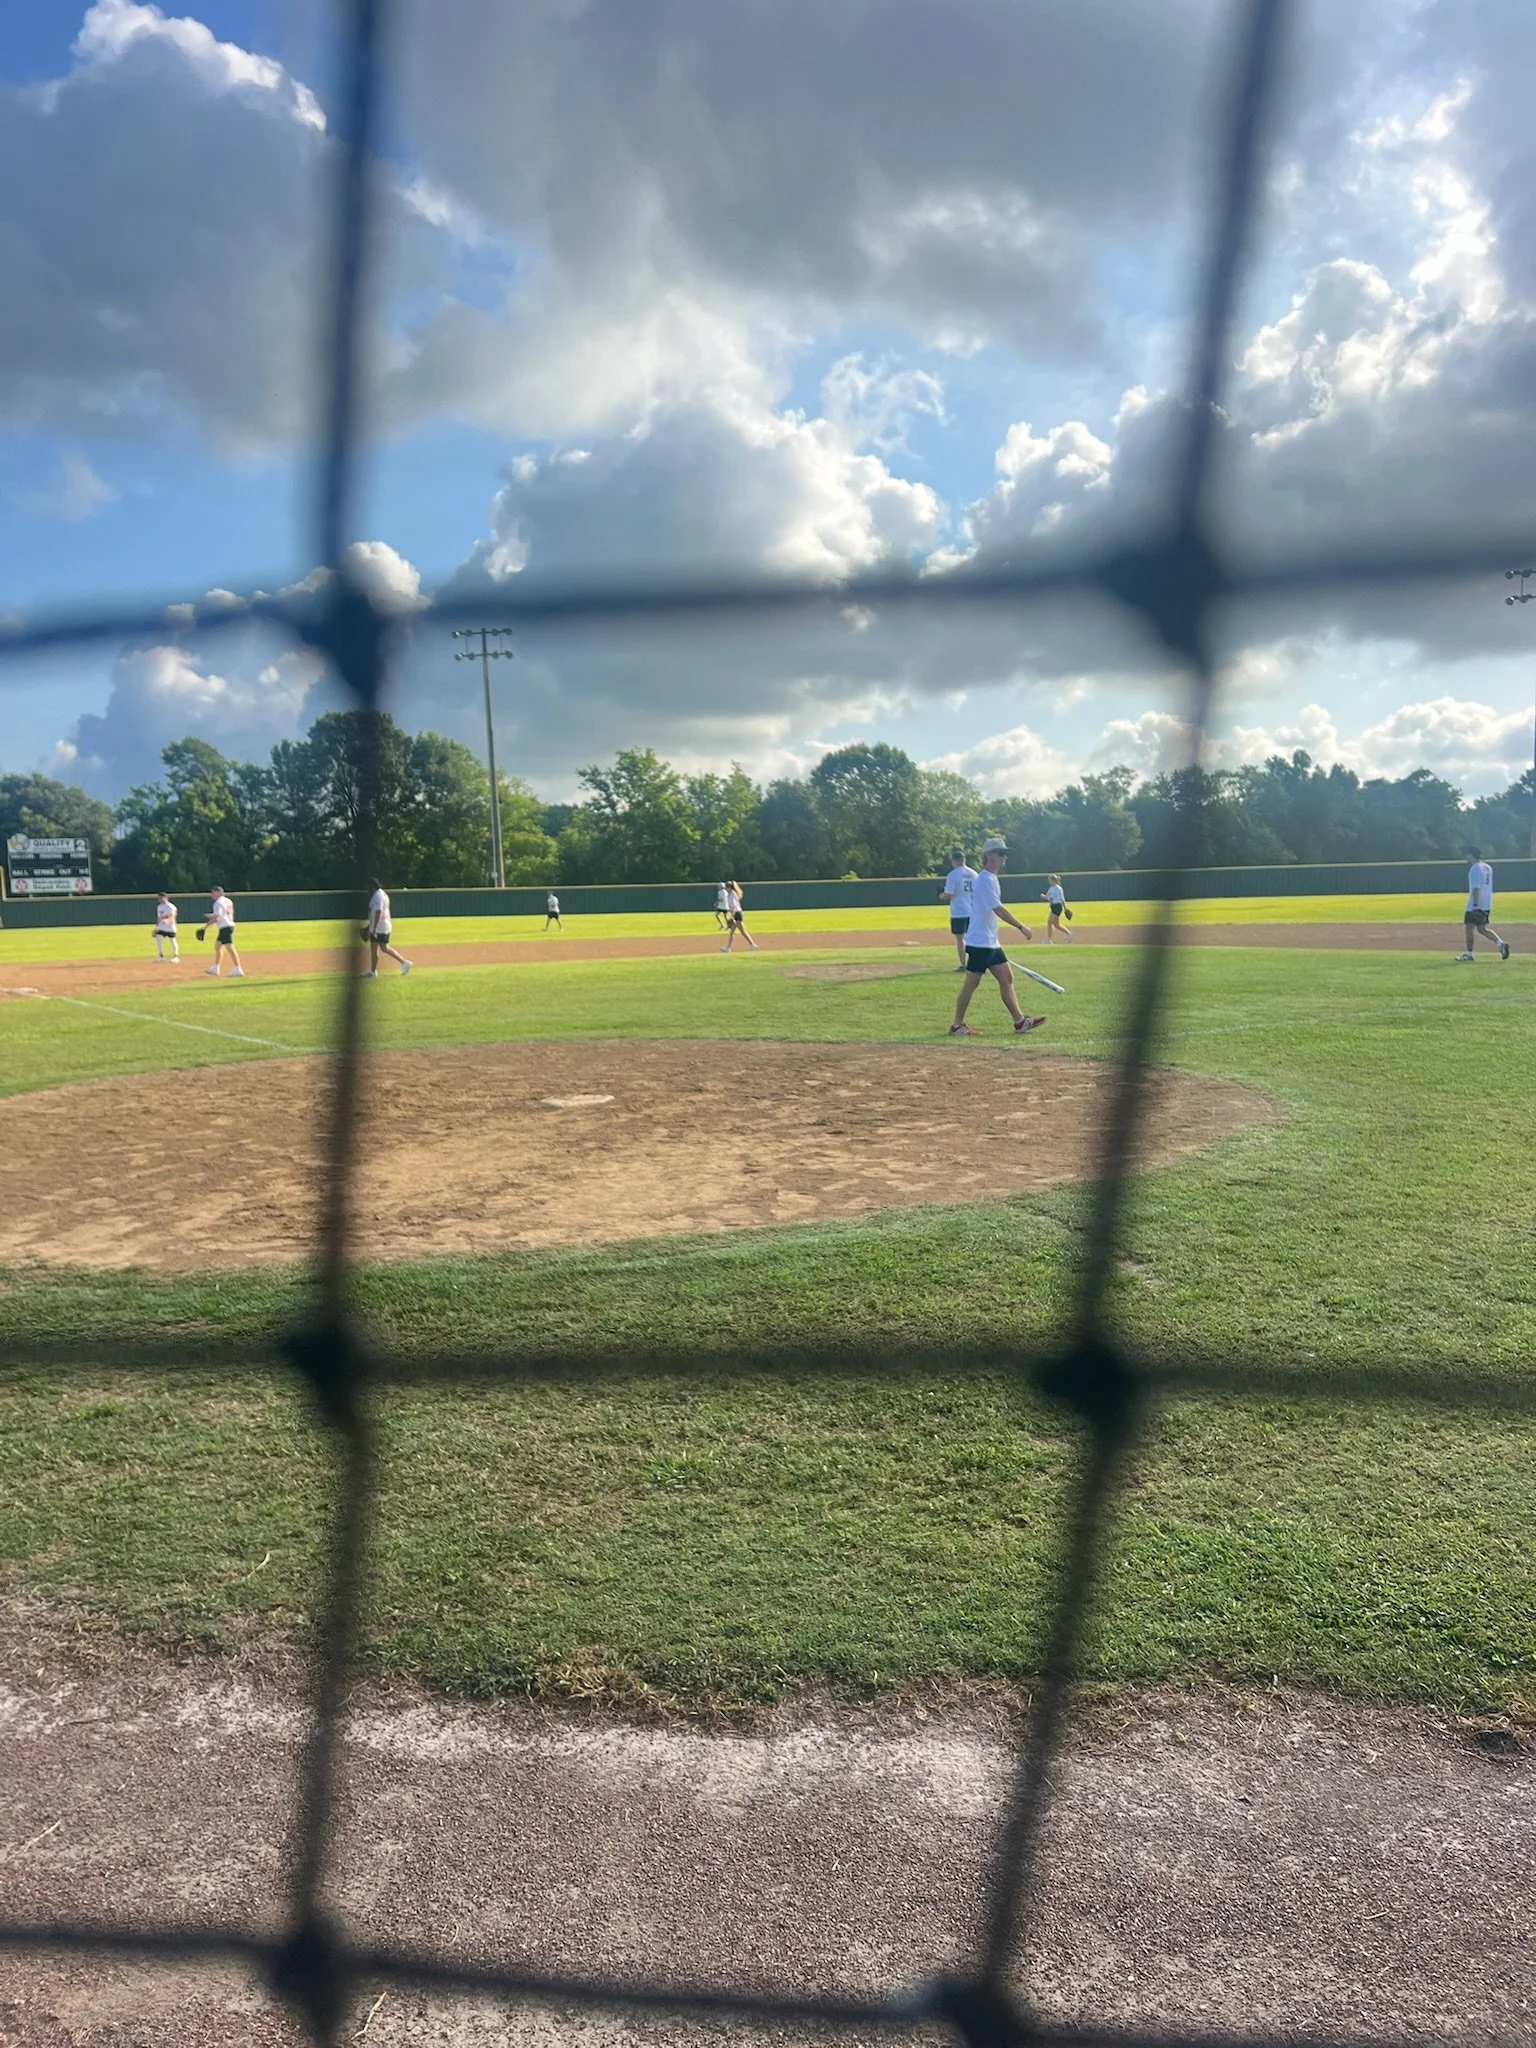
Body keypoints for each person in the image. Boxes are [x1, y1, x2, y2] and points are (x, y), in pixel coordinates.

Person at [949, 838, 1044, 1037]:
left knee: (1006, 978)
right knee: (971, 984)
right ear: (990, 856)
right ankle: (957, 1025)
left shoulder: (991, 878)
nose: (1004, 857)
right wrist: (1021, 926)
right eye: (1000, 854)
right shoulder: (984, 879)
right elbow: (998, 909)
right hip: (980, 942)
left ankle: (1019, 1021)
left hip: (990, 941)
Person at [1457, 847, 1511, 962]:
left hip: (1476, 905)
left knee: (1469, 927)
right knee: (1481, 928)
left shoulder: (1475, 868)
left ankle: (1469, 954)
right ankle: (1500, 943)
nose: (1466, 857)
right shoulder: (1487, 867)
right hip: (1486, 903)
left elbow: (1477, 887)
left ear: (1472, 855)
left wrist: (1475, 904)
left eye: (1468, 855)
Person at [364, 879, 412, 977]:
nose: (367, 889)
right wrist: (370, 926)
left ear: (372, 886)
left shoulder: (378, 896)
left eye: (368, 886)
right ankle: (373, 971)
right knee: (374, 948)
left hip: (381, 927)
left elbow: (378, 912)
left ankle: (405, 962)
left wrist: (374, 928)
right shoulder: (381, 894)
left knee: (384, 947)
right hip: (378, 926)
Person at [940, 847, 978, 970]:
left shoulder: (952, 875)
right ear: (964, 859)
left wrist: (940, 895)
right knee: (974, 938)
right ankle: (977, 962)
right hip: (973, 910)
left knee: (960, 939)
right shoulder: (974, 873)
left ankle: (963, 964)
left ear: (954, 861)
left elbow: (948, 895)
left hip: (959, 911)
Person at [202, 885, 245, 978]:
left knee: (230, 948)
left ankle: (238, 968)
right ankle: (216, 967)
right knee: (217, 946)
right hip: (228, 926)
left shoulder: (218, 902)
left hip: (225, 927)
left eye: (213, 893)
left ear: (218, 892)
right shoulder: (228, 900)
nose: (212, 895)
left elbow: (217, 917)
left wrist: (207, 921)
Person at [720, 879, 759, 952]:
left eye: (726, 887)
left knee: (734, 932)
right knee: (741, 932)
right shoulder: (732, 894)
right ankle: (752, 945)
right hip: (738, 913)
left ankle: (728, 948)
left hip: (737, 914)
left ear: (729, 887)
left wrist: (732, 916)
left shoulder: (732, 895)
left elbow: (734, 906)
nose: (725, 888)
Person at [1041, 874, 1074, 943]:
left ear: (1053, 880)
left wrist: (1065, 908)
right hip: (1053, 907)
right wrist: (1043, 896)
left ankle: (1049, 940)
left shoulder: (1058, 888)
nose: (1049, 881)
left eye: (1050, 880)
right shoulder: (1051, 888)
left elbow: (1061, 899)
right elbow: (1048, 898)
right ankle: (1069, 934)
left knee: (1049, 922)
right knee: (1056, 925)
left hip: (1057, 907)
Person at [152, 893, 179, 962]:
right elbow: (159, 918)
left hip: (170, 927)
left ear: (166, 898)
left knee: (172, 941)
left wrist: (168, 920)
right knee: (158, 940)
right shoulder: (159, 907)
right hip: (162, 927)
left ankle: (176, 956)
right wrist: (157, 926)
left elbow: (173, 916)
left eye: (161, 898)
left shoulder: (171, 906)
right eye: (159, 898)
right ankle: (161, 956)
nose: (160, 899)